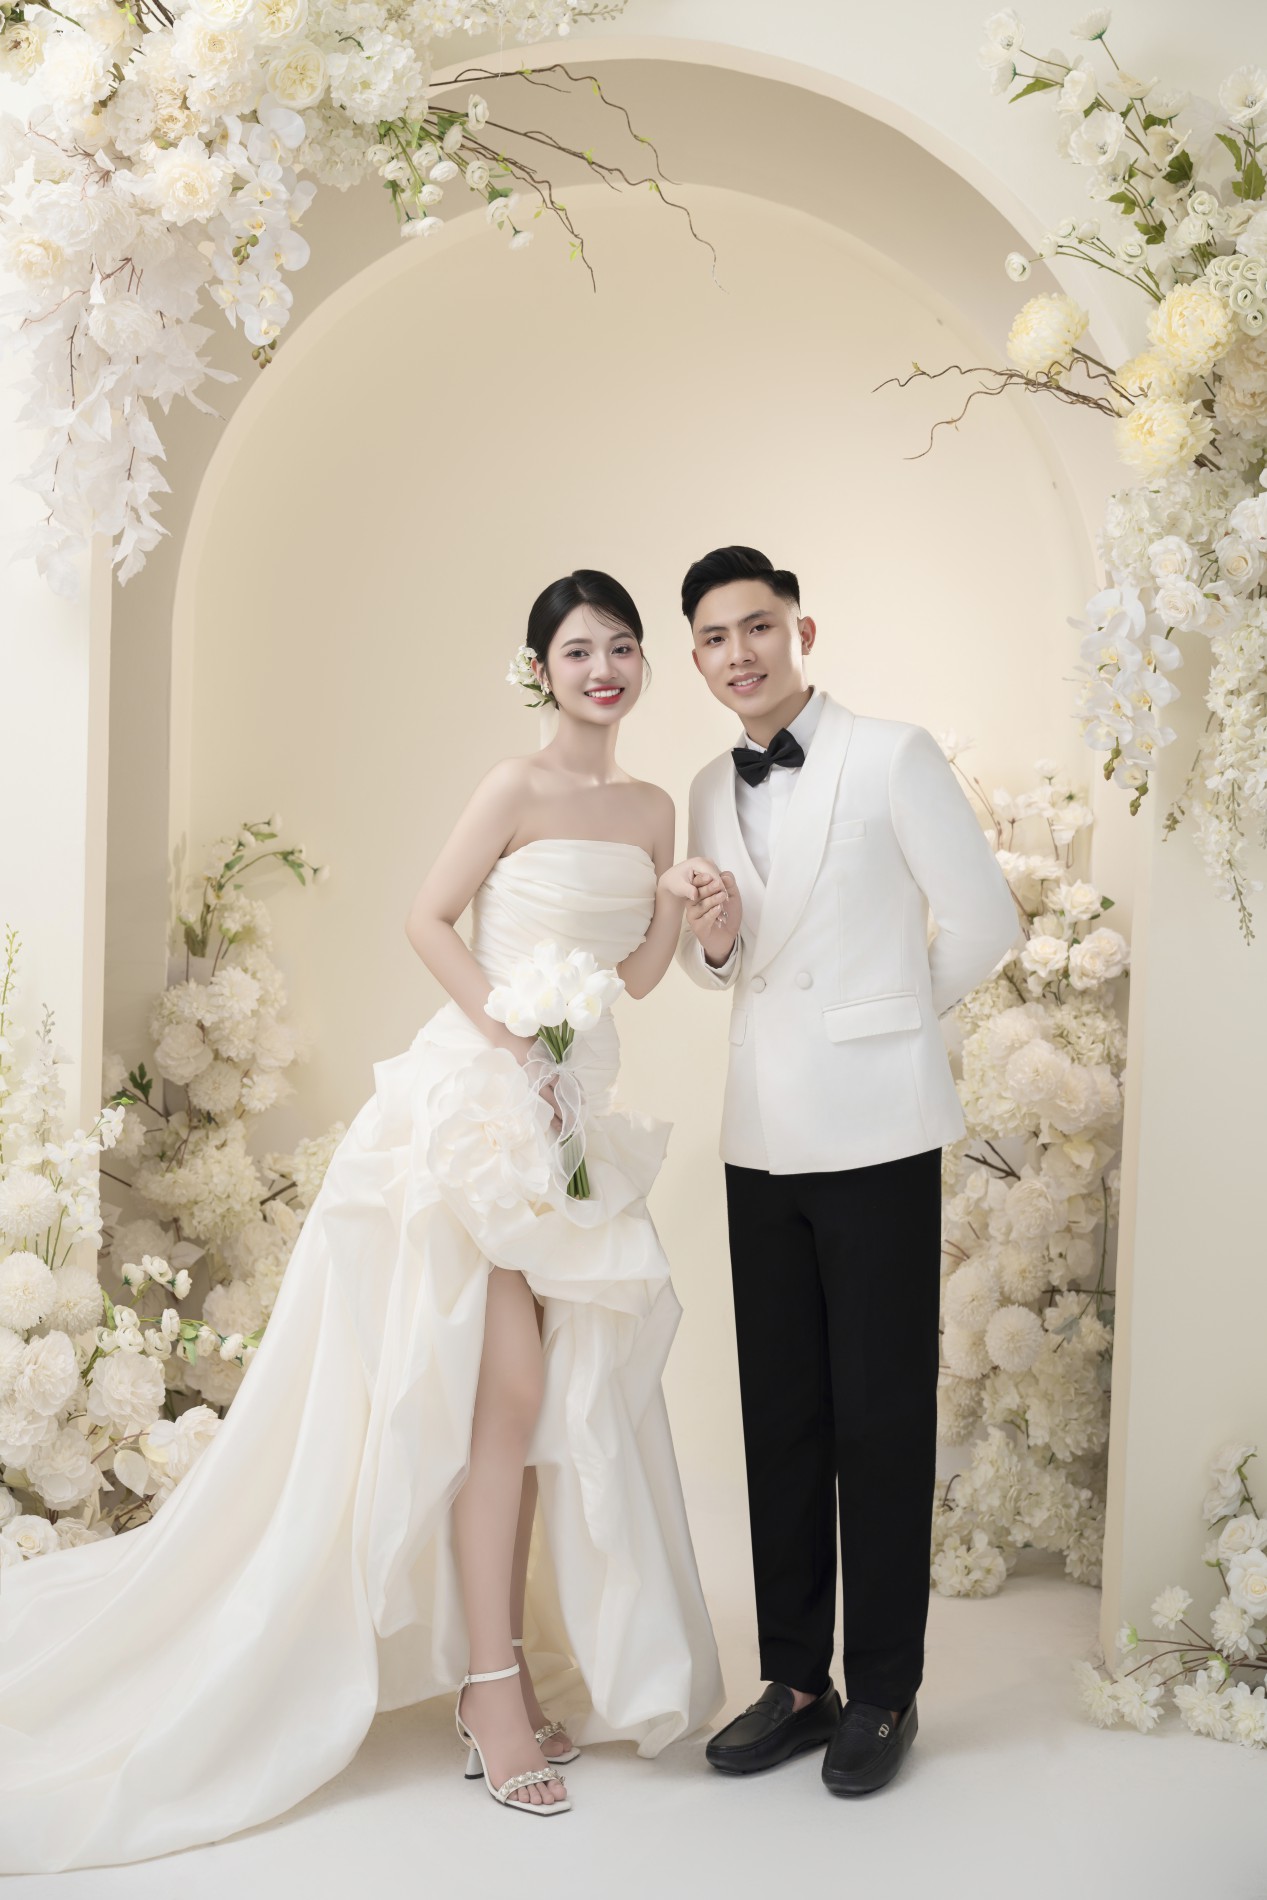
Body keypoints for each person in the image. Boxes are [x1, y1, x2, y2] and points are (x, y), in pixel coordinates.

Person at [0, 570, 724, 1871]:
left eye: (622, 648)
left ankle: (500, 1667)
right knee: (503, 1392)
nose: (604, 669)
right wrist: (510, 1033)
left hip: (569, 1123)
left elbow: (633, 977)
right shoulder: (513, 787)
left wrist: (677, 905)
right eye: (578, 650)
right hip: (475, 1110)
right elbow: (424, 918)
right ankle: (489, 1691)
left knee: (531, 1406)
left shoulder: (649, 807)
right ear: (538, 669)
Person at [676, 546, 1019, 1797]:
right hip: (759, 1134)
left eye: (756, 626)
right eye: (714, 638)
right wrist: (717, 945)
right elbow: (716, 958)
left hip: (875, 1128)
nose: (739, 653)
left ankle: (881, 1688)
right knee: (781, 1415)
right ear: (698, 659)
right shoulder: (706, 786)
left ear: (800, 630)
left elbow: (984, 919)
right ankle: (794, 1679)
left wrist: (885, 1018)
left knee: (879, 1416)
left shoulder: (891, 754)